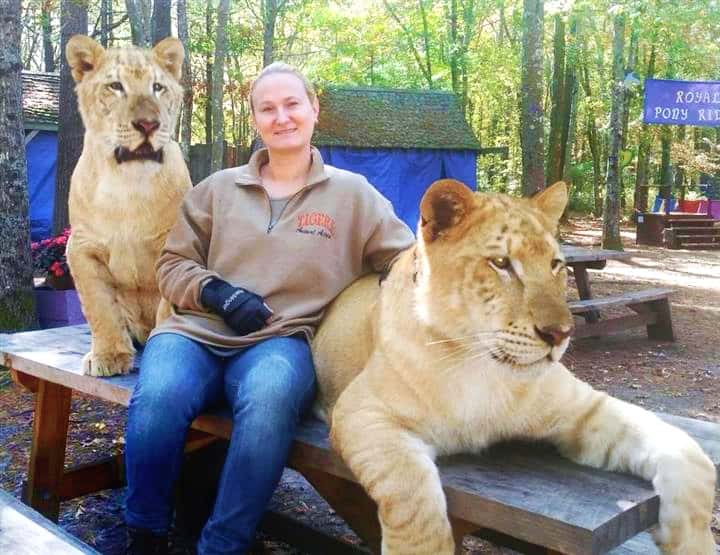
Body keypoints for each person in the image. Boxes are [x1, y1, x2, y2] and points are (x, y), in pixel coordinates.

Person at [123, 62, 415, 555]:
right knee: (159, 399)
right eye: (268, 108)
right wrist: (217, 293)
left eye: (292, 104)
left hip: (281, 340)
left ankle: (222, 544)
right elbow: (172, 264)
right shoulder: (217, 188)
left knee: (270, 401)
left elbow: (407, 260)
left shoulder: (353, 194)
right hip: (194, 331)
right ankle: (145, 532)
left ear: (313, 110)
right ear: (256, 119)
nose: (282, 117)